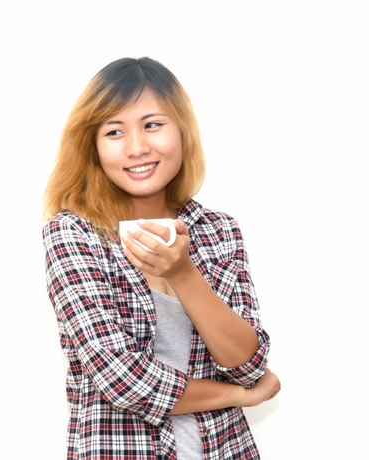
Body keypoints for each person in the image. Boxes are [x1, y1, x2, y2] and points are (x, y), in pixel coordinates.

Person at [41, 57, 281, 459]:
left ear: (182, 132)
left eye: (152, 125)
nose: (137, 147)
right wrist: (240, 395)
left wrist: (183, 274)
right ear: (94, 146)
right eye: (114, 131)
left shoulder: (218, 231)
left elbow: (248, 362)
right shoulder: (74, 233)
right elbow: (121, 380)